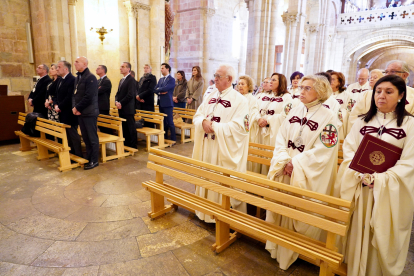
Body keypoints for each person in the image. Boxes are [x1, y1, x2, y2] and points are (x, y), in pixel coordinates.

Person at [334, 75, 414, 276]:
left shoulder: (409, 125)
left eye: (389, 92)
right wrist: (358, 172)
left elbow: (409, 161)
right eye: (378, 91)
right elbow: (349, 149)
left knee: (379, 234)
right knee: (357, 230)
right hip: (359, 187)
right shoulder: (362, 121)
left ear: (401, 95)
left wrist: (381, 179)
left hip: (386, 191)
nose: (381, 96)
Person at [266, 75, 339, 270]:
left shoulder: (330, 117)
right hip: (286, 168)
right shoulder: (295, 110)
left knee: (298, 211)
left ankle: (296, 251)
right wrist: (283, 160)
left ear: (320, 92)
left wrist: (296, 163)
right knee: (281, 209)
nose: (301, 91)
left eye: (307, 88)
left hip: (304, 173)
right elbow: (281, 136)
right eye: (302, 88)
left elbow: (325, 150)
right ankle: (277, 246)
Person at [193, 64, 250, 223]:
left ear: (229, 79)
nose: (214, 79)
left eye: (218, 76)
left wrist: (214, 127)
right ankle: (204, 212)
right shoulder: (211, 95)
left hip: (221, 148)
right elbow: (197, 115)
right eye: (215, 75)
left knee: (218, 180)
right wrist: (203, 121)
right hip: (207, 147)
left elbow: (241, 128)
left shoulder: (240, 101)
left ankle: (220, 216)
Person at [349, 60, 414, 129]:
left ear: (405, 75)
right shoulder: (368, 95)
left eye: (393, 71)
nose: (388, 74)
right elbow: (354, 117)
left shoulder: (412, 96)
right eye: (386, 72)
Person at [72, 57, 99, 170]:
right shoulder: (78, 77)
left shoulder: (91, 77)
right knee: (86, 137)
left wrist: (77, 107)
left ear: (85, 64)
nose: (75, 63)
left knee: (92, 138)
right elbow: (75, 94)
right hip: (81, 112)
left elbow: (89, 96)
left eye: (77, 62)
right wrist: (75, 107)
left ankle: (94, 160)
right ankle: (88, 157)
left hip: (89, 112)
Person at [257, 73, 293, 156]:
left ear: (281, 82)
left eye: (274, 80)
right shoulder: (265, 95)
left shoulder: (287, 97)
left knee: (270, 156)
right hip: (261, 130)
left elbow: (285, 116)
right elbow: (256, 109)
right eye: (270, 80)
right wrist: (258, 118)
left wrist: (268, 120)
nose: (270, 82)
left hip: (274, 132)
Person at [54, 60, 82, 157]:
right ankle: (71, 153)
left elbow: (70, 97)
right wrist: (55, 104)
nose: (57, 69)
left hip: (70, 112)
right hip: (62, 111)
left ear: (66, 69)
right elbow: (57, 95)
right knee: (67, 135)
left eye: (59, 67)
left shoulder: (72, 79)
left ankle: (78, 154)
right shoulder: (60, 80)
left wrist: (59, 106)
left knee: (73, 134)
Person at [115, 62, 137, 149]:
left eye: (123, 67)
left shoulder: (131, 79)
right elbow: (118, 93)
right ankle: (126, 144)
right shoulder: (122, 80)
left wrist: (121, 103)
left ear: (128, 69)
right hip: (121, 108)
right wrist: (116, 101)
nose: (121, 68)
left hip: (128, 108)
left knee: (130, 128)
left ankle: (133, 146)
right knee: (124, 127)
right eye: (121, 67)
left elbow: (130, 94)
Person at [154, 63, 176, 142]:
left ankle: (173, 139)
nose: (161, 69)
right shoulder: (161, 79)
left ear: (167, 69)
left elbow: (167, 88)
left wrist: (160, 89)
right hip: (161, 103)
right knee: (163, 121)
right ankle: (165, 137)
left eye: (162, 68)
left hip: (168, 103)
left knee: (170, 122)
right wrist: (160, 91)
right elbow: (154, 89)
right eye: (161, 68)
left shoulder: (171, 79)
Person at [238, 75, 259, 143]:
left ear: (248, 86)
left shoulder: (252, 99)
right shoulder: (235, 97)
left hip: (244, 127)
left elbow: (253, 113)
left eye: (243, 84)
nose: (240, 86)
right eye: (239, 84)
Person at [330, 71, 350, 139]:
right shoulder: (325, 95)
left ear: (339, 82)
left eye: (333, 79)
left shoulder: (347, 96)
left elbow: (350, 112)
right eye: (329, 79)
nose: (330, 81)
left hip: (341, 125)